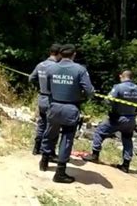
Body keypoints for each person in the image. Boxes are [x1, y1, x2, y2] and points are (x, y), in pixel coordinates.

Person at [39, 44, 95, 184]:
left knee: (50, 133)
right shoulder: (80, 70)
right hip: (71, 108)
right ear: (74, 54)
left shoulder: (51, 68)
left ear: (60, 54)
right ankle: (60, 172)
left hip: (54, 106)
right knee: (67, 138)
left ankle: (44, 161)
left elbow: (47, 88)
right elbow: (90, 91)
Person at [83, 70, 137, 173]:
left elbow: (108, 100)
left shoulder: (118, 87)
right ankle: (126, 164)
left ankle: (95, 154)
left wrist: (113, 107)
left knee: (99, 132)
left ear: (121, 76)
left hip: (117, 117)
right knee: (127, 139)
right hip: (130, 119)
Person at [29, 43, 62, 161]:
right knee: (53, 127)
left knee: (41, 123)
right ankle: (50, 152)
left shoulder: (41, 64)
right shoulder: (56, 67)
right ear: (58, 54)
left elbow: (31, 78)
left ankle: (36, 147)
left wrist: (40, 85)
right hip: (52, 100)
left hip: (41, 98)